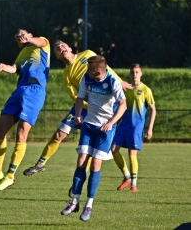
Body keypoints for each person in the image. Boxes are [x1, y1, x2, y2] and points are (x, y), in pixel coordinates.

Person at [23, 40, 132, 178]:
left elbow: (106, 68)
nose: (60, 48)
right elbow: (75, 96)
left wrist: (120, 81)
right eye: (57, 48)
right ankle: (40, 164)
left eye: (62, 45)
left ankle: (82, 182)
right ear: (57, 56)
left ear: (69, 47)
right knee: (58, 134)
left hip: (102, 108)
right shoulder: (66, 74)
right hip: (83, 107)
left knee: (92, 147)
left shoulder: (87, 54)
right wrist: (84, 108)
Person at [0, 29, 50, 191]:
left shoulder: (41, 44)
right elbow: (15, 68)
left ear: (30, 34)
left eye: (22, 33)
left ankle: (10, 176)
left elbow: (40, 42)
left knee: (21, 134)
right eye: (17, 36)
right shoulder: (22, 54)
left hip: (35, 91)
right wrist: (5, 67)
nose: (19, 36)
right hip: (19, 91)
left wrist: (29, 38)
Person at [61, 56, 127, 221]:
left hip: (105, 130)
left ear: (97, 72)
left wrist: (111, 122)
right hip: (89, 125)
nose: (86, 72)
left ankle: (88, 205)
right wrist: (77, 115)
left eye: (90, 70)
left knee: (95, 165)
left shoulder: (112, 82)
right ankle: (74, 201)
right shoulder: (86, 77)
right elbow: (79, 98)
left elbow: (123, 104)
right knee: (81, 161)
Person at [111, 63, 156, 192]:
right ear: (130, 74)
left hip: (136, 126)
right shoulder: (126, 89)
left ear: (141, 73)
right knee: (113, 149)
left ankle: (133, 185)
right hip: (123, 124)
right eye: (132, 72)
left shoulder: (146, 90)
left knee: (132, 153)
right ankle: (127, 177)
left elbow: (153, 109)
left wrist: (150, 128)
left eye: (137, 72)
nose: (134, 74)